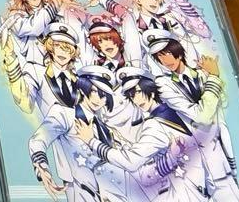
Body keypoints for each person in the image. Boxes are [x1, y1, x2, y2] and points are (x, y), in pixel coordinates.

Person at [78, 70, 208, 202]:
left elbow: (131, 161)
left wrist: (92, 142)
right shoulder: (172, 111)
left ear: (151, 91)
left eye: (138, 92)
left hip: (184, 191)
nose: (136, 99)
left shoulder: (154, 124)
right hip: (196, 185)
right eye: (131, 95)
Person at [148, 32, 239, 202]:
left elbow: (223, 103)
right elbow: (202, 116)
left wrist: (211, 76)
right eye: (159, 57)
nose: (165, 60)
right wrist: (214, 78)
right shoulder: (164, 84)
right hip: (200, 153)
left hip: (222, 146)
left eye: (167, 53)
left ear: (178, 52)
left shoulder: (203, 74)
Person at [28, 67, 118, 202]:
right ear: (82, 89)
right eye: (94, 91)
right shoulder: (65, 114)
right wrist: (42, 168)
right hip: (80, 192)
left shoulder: (105, 129)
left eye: (104, 95)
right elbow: (38, 140)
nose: (98, 98)